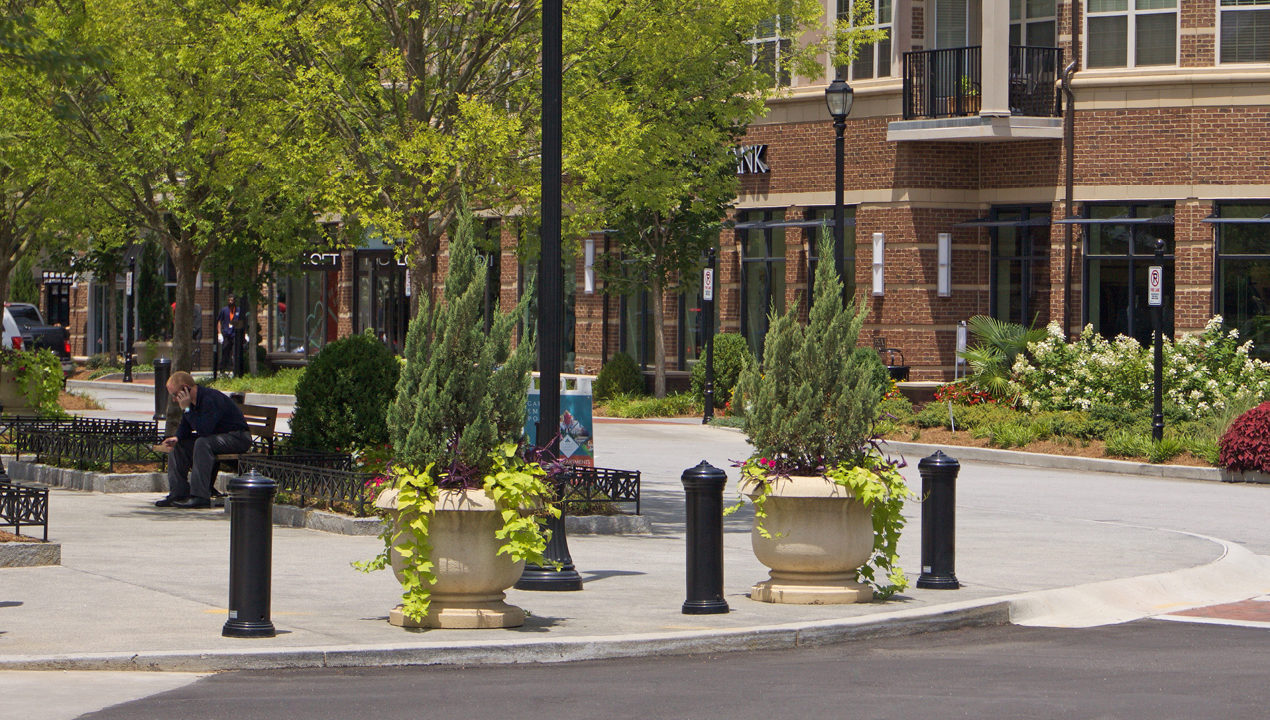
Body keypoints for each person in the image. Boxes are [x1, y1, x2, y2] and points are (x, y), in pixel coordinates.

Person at [155, 371, 252, 509]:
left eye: (175, 394)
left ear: (185, 388)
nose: (174, 400)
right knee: (179, 445)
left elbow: (204, 430)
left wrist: (187, 409)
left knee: (202, 443)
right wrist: (177, 438)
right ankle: (178, 493)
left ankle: (200, 496)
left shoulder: (209, 399)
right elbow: (186, 426)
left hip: (237, 437)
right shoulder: (191, 402)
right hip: (216, 438)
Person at [217, 294, 240, 374]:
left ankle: (234, 368)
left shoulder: (238, 310)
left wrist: (244, 334)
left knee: (235, 351)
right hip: (226, 334)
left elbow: (240, 322)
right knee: (225, 351)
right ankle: (223, 369)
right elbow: (219, 321)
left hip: (234, 334)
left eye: (232, 300)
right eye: (229, 300)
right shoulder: (224, 310)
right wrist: (219, 333)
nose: (230, 302)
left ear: (234, 301)